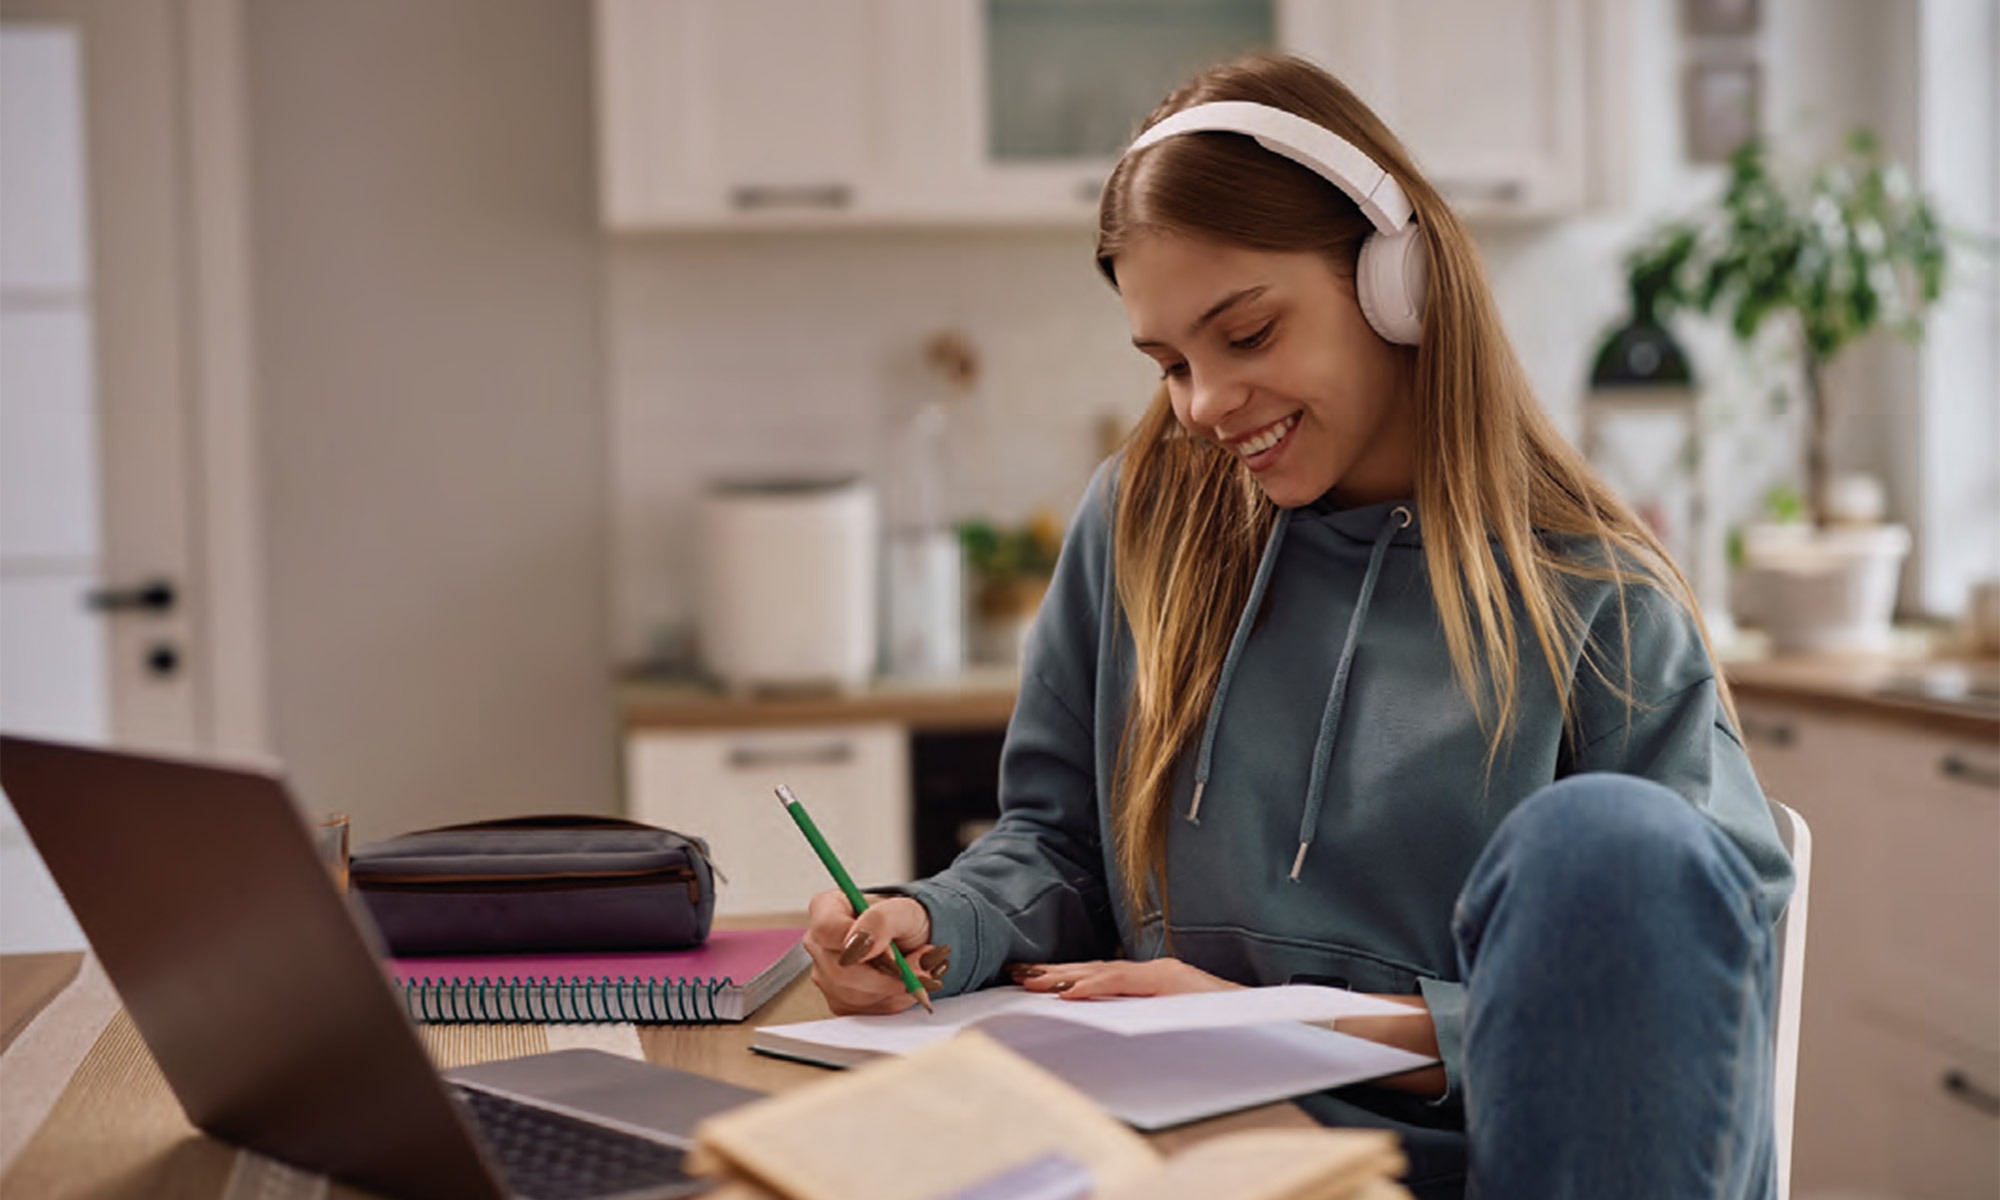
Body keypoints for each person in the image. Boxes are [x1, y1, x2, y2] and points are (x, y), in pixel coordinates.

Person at [802, 53, 1794, 1200]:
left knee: (1612, 847)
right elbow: (1059, 842)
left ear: (1396, 282)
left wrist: (1293, 1026)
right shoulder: (1142, 522)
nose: (1204, 404)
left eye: (1248, 335)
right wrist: (934, 920)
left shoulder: (1592, 592)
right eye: (1170, 363)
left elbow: (1683, 997)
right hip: (1183, 1164)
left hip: (1478, 1169)